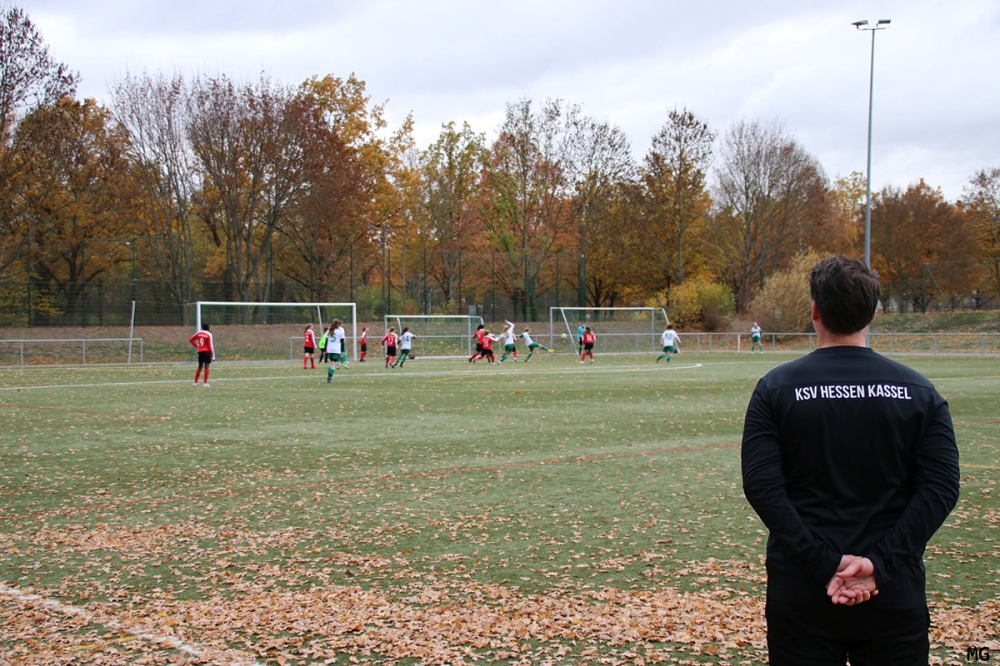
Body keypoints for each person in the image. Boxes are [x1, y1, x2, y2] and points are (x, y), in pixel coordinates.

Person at [741, 255, 960, 666]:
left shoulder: (776, 388)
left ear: (815, 311)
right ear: (873, 314)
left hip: (803, 592)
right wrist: (879, 564)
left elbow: (762, 487)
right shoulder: (919, 391)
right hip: (892, 591)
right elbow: (941, 488)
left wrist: (824, 563)